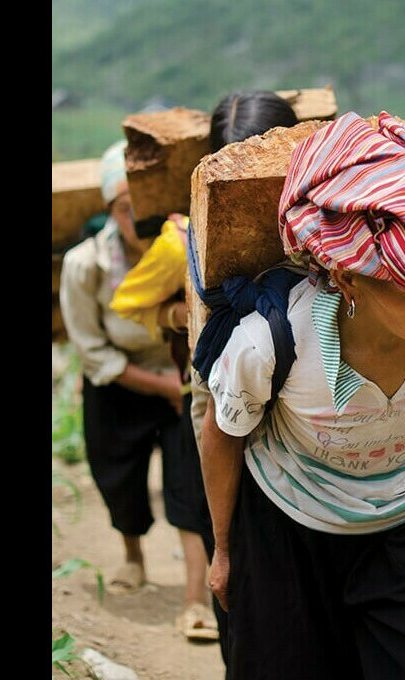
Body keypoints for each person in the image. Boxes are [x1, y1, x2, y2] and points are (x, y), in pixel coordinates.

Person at [200, 111, 405, 679]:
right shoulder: (272, 341)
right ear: (349, 278)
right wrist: (226, 550)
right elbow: (222, 434)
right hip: (287, 525)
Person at [109, 91, 299, 650]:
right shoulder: (183, 238)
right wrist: (182, 314)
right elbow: (129, 303)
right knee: (236, 536)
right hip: (219, 405)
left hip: (304, 403)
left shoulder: (320, 221)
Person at [58, 140, 185, 599]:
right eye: (126, 208)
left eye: (146, 206)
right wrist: (162, 386)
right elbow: (93, 353)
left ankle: (195, 578)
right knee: (119, 475)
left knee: (189, 477)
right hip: (118, 381)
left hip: (179, 374)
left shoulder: (182, 248)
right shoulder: (84, 265)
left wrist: (180, 381)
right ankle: (133, 557)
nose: (138, 218)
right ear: (111, 211)